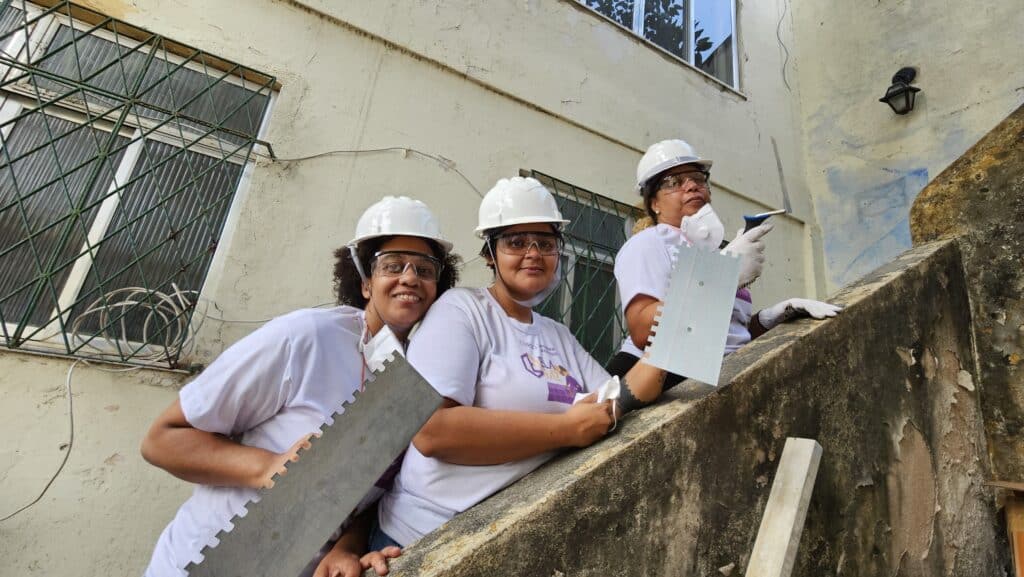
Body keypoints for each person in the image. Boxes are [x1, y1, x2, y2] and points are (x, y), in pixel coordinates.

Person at [139, 196, 460, 577]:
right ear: (364, 282)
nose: (409, 278)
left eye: (425, 269)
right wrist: (267, 467)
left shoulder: (425, 376)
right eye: (392, 265)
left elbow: (380, 491)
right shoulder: (306, 337)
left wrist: (346, 548)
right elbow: (163, 440)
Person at [364, 176, 668, 550]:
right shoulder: (462, 311)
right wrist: (567, 428)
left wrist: (674, 335)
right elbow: (432, 431)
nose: (533, 253)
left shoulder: (557, 335)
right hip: (421, 541)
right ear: (490, 254)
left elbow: (610, 401)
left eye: (546, 243)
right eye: (516, 242)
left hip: (505, 537)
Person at [606, 139, 842, 387]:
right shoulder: (649, 243)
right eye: (673, 182)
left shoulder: (710, 252)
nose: (691, 186)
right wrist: (722, 277)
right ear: (654, 203)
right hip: (659, 381)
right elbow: (643, 332)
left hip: (716, 374)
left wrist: (768, 320)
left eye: (698, 178)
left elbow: (726, 338)